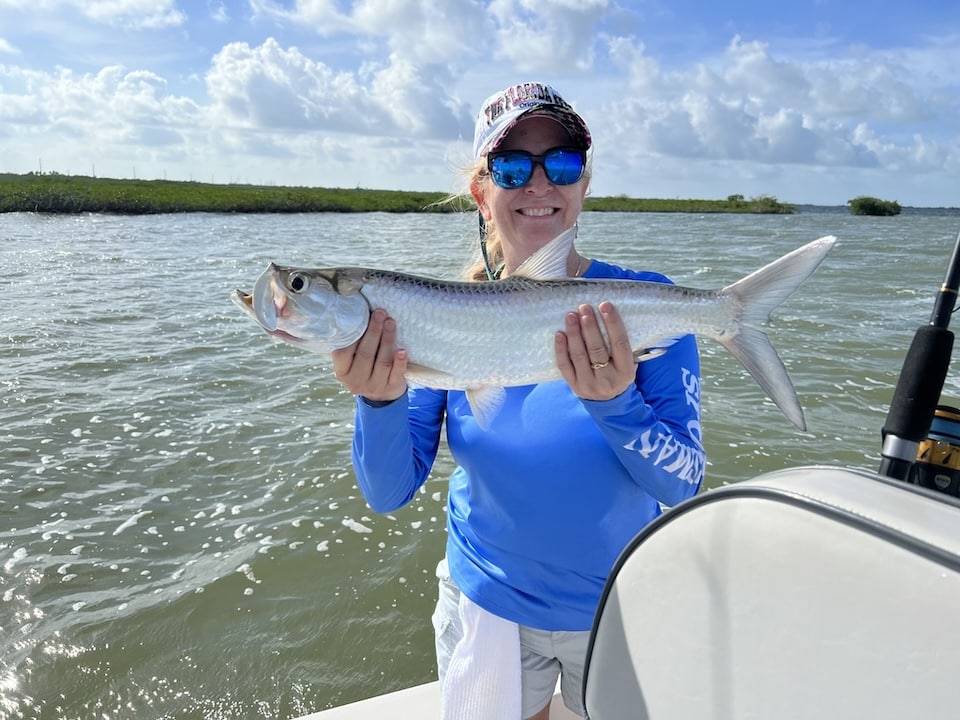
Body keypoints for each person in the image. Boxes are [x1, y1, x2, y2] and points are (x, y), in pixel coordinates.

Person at [331, 81, 705, 720]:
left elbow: (685, 485)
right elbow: (388, 492)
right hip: (489, 603)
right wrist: (379, 402)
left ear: (585, 184)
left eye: (562, 164)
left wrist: (617, 402)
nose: (540, 184)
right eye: (511, 166)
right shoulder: (431, 318)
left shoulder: (643, 302)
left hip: (621, 604)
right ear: (482, 191)